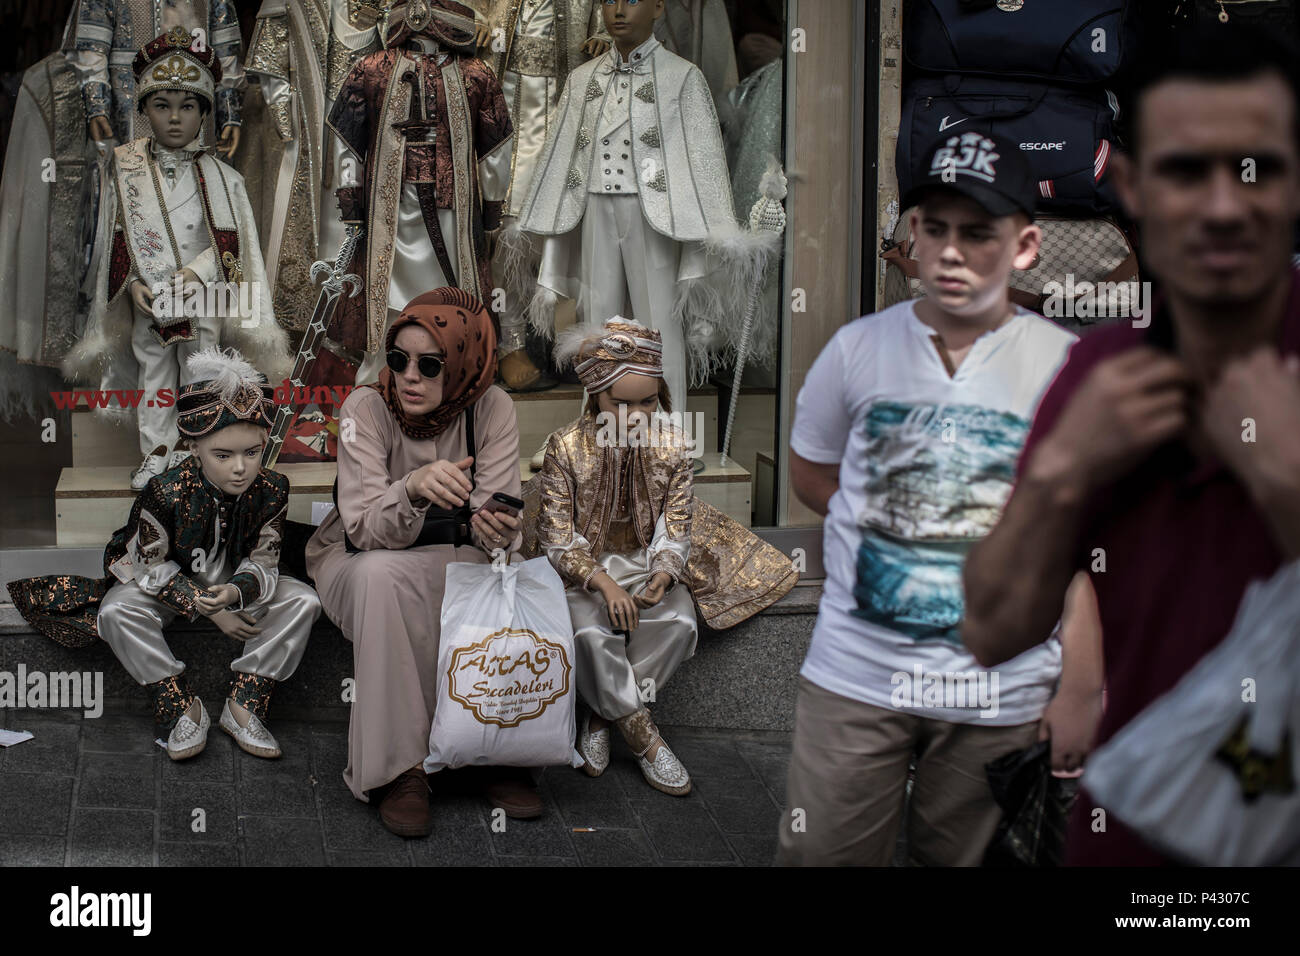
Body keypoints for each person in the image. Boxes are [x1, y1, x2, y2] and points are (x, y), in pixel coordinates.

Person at [962, 25, 1300, 866]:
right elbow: (992, 629)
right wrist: (1063, 472)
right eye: (1189, 171)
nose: (1225, 204)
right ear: (1136, 186)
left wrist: (1287, 481)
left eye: (1255, 168)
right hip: (1138, 852)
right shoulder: (1099, 377)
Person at [776, 132, 1104, 866]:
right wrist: (895, 525)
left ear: (1024, 246)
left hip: (1001, 692)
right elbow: (810, 474)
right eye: (937, 229)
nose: (953, 252)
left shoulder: (1064, 368)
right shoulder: (855, 350)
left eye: (980, 233)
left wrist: (1080, 683)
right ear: (913, 238)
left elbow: (1076, 544)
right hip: (859, 677)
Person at [7, 347, 320, 761]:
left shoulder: (273, 488)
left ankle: (245, 702)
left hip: (237, 586)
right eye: (222, 455)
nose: (240, 468)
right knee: (117, 612)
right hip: (167, 584)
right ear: (194, 448)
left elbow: (265, 558)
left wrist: (233, 593)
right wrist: (209, 608)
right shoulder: (166, 490)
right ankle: (179, 705)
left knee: (304, 600)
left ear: (265, 442)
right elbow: (150, 564)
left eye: (252, 452)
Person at [304, 287, 539, 837]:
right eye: (398, 360)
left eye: (429, 364)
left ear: (462, 364)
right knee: (384, 579)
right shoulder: (365, 406)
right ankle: (401, 771)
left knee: (498, 578)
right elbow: (362, 527)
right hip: (363, 558)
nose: (409, 376)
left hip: (458, 552)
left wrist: (496, 530)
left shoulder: (493, 406)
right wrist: (410, 489)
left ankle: (492, 752)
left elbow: (499, 519)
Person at [531, 317, 799, 794]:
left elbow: (676, 526)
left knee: (680, 623)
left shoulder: (673, 444)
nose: (636, 414)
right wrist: (604, 583)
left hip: (645, 562)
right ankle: (643, 734)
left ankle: (599, 714)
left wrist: (663, 574)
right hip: (584, 575)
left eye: (648, 401)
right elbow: (554, 535)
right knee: (593, 633)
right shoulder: (564, 449)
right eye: (621, 403)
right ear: (596, 397)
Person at [61, 27, 290, 490]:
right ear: (144, 110)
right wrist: (131, 286)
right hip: (149, 303)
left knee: (199, 376)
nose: (174, 118)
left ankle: (198, 450)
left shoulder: (224, 177)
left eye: (187, 106)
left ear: (204, 112)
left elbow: (235, 245)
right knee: (155, 379)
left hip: (200, 299)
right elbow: (116, 238)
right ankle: (157, 453)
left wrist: (198, 272)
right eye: (162, 106)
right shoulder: (125, 169)